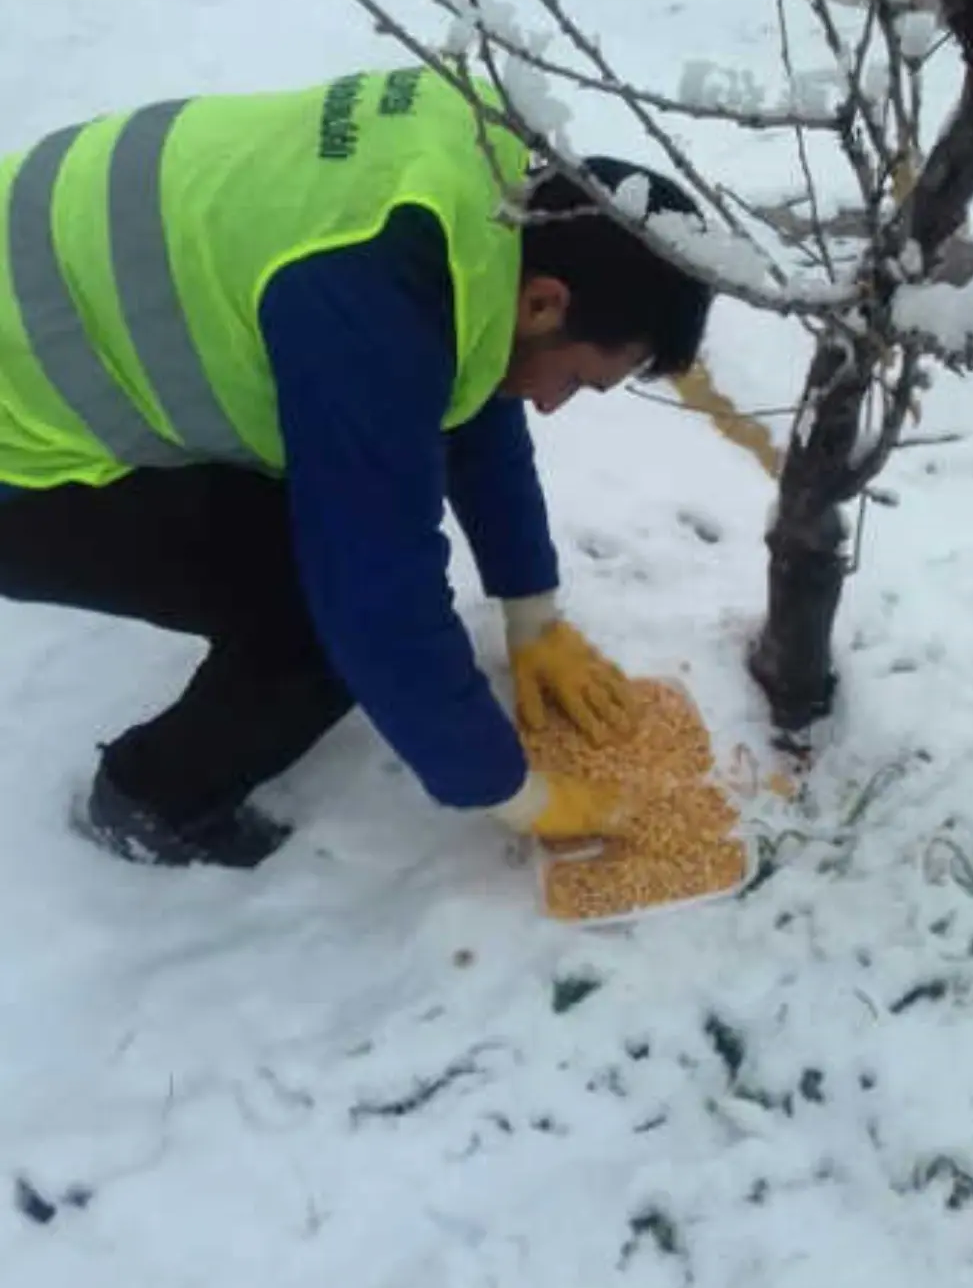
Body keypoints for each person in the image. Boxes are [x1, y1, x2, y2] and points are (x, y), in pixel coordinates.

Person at [0, 65, 712, 868]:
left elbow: (472, 381)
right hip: (17, 446)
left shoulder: (477, 182)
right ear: (546, 303)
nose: (553, 406)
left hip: (37, 304)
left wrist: (532, 612)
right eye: (579, 380)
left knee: (342, 510)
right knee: (321, 609)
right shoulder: (368, 298)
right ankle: (153, 800)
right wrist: (518, 793)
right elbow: (375, 600)